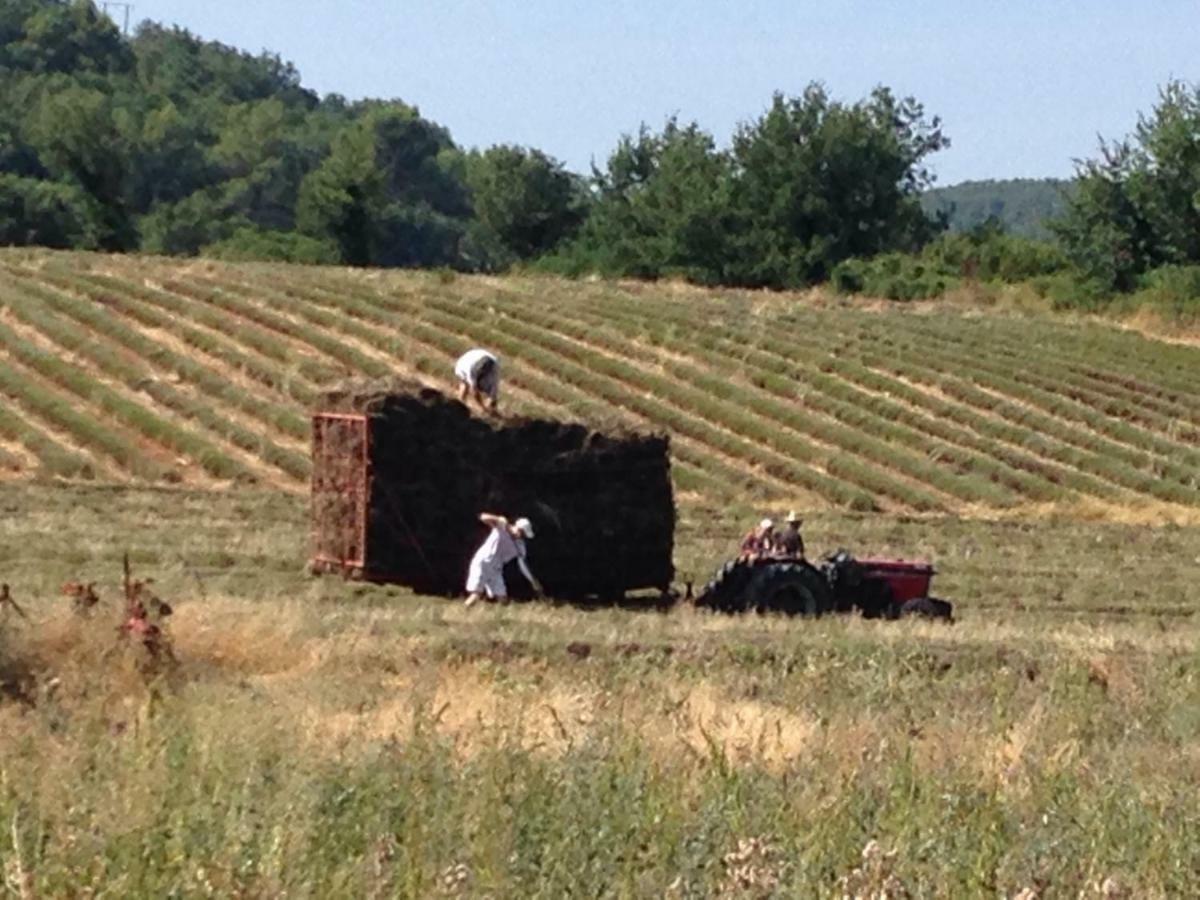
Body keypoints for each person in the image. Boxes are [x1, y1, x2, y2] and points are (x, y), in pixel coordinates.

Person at [464, 513, 542, 607]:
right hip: (482, 563)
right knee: (476, 594)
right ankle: (461, 613)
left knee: (503, 599)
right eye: (522, 533)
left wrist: (533, 581)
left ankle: (501, 619)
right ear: (518, 528)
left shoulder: (520, 546)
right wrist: (498, 519)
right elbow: (483, 517)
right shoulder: (502, 527)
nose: (521, 536)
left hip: (496, 569)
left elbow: (522, 565)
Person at [454, 348, 501, 412]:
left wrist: (491, 402)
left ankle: (492, 410)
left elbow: (494, 392)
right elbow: (473, 390)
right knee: (465, 384)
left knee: (491, 392)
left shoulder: (495, 368)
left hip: (482, 356)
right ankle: (459, 404)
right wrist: (482, 407)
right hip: (464, 364)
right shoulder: (470, 369)